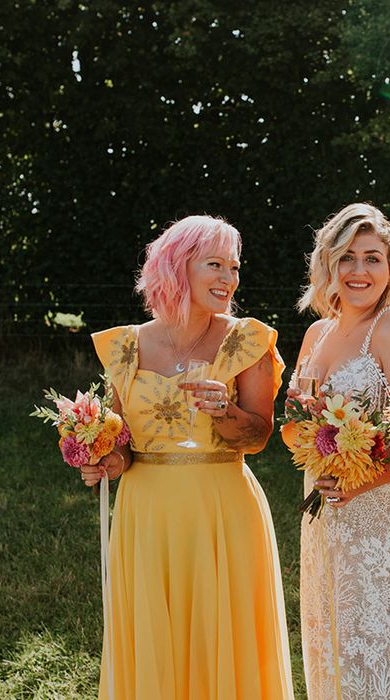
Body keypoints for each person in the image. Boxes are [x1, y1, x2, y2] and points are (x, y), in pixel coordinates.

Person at [79, 215, 294, 699]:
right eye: (214, 265)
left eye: (234, 268)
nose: (228, 279)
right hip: (145, 513)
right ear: (177, 268)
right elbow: (121, 441)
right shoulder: (127, 346)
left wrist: (224, 412)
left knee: (225, 634)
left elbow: (259, 436)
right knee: (155, 635)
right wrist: (107, 461)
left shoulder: (247, 340)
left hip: (221, 508)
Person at [284, 203, 390, 699]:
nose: (359, 271)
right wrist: (302, 426)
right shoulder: (317, 333)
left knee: (385, 650)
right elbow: (294, 427)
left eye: (373, 258)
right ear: (328, 265)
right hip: (326, 520)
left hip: (385, 521)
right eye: (347, 257)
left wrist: (356, 481)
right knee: (337, 648)